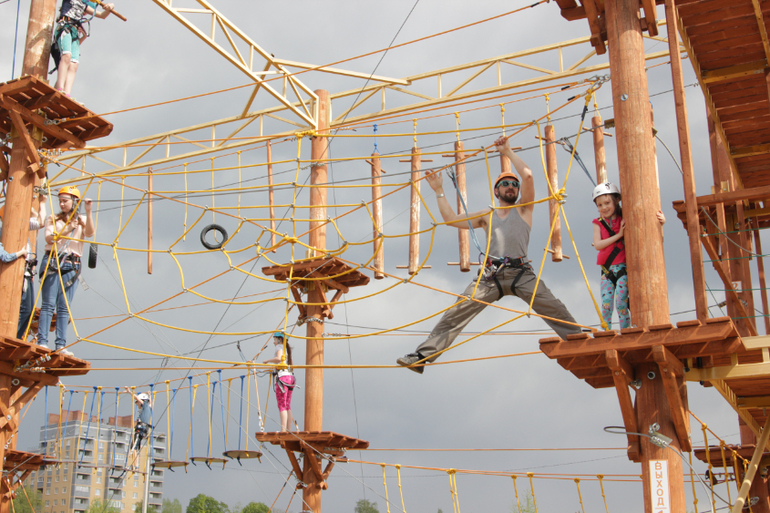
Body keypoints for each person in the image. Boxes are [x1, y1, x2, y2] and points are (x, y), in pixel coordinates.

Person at [396, 136, 582, 374]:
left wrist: (508, 152)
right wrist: (439, 190)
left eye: (513, 185)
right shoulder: (487, 214)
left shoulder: (524, 209)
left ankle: (579, 341)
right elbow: (451, 220)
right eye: (506, 184)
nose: (511, 187)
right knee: (457, 311)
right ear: (497, 191)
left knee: (552, 305)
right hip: (491, 276)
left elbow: (528, 176)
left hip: (520, 272)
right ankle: (422, 356)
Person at [592, 182, 665, 330]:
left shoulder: (625, 216)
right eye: (600, 205)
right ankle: (606, 332)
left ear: (616, 201)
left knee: (621, 303)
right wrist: (619, 235)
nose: (604, 208)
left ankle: (625, 331)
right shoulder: (598, 223)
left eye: (607, 203)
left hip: (623, 269)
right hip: (607, 270)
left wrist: (661, 221)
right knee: (606, 305)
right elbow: (598, 245)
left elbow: (644, 220)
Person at [37, 186, 95, 356]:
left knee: (64, 307)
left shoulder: (82, 219)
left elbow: (90, 233)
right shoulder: (53, 218)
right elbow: (49, 237)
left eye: (65, 201)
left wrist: (88, 212)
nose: (61, 204)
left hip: (72, 263)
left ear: (74, 202)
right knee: (48, 304)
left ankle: (60, 345)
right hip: (54, 260)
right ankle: (42, 341)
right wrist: (70, 228)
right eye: (60, 201)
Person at [0, 194, 47, 341]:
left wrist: (41, 204)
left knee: (27, 310)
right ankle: (12, 336)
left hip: (25, 274)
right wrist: (20, 253)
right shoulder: (3, 232)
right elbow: (5, 256)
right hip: (14, 273)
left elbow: (40, 222)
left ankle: (17, 336)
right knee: (14, 308)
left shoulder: (21, 225)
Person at [52, 0, 114, 96]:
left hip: (74, 32)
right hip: (65, 26)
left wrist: (111, 7)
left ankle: (67, 93)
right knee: (66, 56)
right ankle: (60, 88)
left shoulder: (84, 5)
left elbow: (102, 15)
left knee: (74, 64)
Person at [263, 332, 296, 431]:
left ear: (279, 339)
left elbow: (278, 359)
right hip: (290, 378)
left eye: (274, 339)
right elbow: (291, 365)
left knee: (282, 405)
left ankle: (283, 430)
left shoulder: (279, 347)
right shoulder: (287, 350)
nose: (274, 342)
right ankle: (288, 429)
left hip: (282, 378)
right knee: (287, 405)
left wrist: (267, 361)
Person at [124, 386, 151, 471]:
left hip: (140, 429)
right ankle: (136, 465)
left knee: (133, 448)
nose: (137, 404)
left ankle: (134, 466)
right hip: (143, 430)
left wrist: (129, 392)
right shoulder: (149, 408)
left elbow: (137, 398)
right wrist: (150, 395)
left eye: (138, 403)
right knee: (136, 447)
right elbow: (151, 402)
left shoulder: (145, 406)